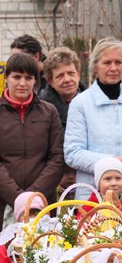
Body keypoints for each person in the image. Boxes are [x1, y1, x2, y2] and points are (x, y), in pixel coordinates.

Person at [65, 37, 122, 201]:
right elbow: (73, 152)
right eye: (107, 63)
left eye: (118, 62)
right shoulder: (80, 104)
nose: (113, 68)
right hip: (91, 196)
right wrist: (110, 165)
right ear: (95, 67)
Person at [0, 53, 64, 228]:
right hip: (4, 202)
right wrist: (18, 198)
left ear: (36, 80)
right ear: (6, 78)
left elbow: (57, 157)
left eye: (28, 78)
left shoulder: (49, 112)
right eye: (17, 77)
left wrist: (34, 196)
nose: (22, 83)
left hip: (42, 201)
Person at [40, 46, 85, 193]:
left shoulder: (93, 103)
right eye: (60, 76)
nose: (67, 79)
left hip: (88, 181)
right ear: (50, 81)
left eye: (71, 73)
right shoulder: (41, 109)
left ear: (78, 75)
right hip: (53, 185)